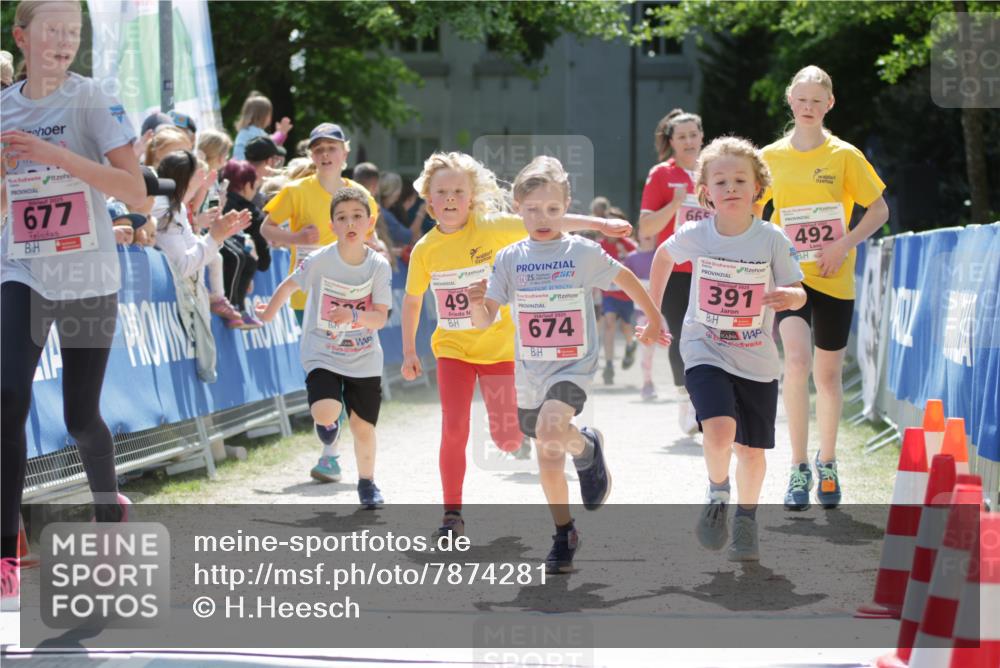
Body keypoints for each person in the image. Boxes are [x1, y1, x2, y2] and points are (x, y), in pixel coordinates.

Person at [401, 151, 633, 539]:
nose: (451, 198)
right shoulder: (425, 249)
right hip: (453, 351)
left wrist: (600, 225)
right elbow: (411, 300)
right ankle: (451, 516)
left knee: (509, 439)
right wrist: (409, 350)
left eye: (459, 190)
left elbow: (548, 217)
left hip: (502, 351)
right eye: (442, 192)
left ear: (472, 196)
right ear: (429, 199)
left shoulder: (493, 227)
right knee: (454, 428)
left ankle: (585, 445)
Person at [1, 0, 146, 611]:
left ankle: (109, 514)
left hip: (87, 273)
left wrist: (55, 156)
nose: (63, 42)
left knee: (80, 415)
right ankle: (6, 557)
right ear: (21, 36)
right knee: (7, 396)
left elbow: (137, 192)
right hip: (23, 268)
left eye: (73, 32)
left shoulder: (94, 100)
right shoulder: (2, 108)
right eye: (52, 31)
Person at [469, 156, 665, 574]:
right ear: (518, 208)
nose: (543, 218)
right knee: (548, 450)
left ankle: (562, 537)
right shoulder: (509, 258)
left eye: (553, 209)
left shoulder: (581, 251)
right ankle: (581, 470)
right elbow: (485, 319)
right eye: (533, 209)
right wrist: (473, 303)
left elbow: (625, 278)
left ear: (567, 208)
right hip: (531, 373)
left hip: (573, 365)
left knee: (549, 429)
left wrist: (652, 317)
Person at [647, 136, 806, 562]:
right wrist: (653, 312)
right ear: (706, 191)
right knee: (718, 432)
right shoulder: (697, 234)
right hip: (705, 347)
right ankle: (718, 493)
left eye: (740, 180)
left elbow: (798, 290)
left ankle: (747, 520)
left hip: (756, 359)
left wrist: (790, 297)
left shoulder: (771, 239)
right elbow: (662, 256)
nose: (731, 187)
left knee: (751, 452)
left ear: (758, 188)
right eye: (720, 181)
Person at [759, 66, 889, 511]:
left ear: (829, 104)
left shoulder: (844, 155)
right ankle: (798, 466)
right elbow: (753, 212)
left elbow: (879, 209)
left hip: (834, 275)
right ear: (790, 100)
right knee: (796, 363)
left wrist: (843, 243)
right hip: (790, 276)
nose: (808, 107)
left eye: (817, 100)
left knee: (828, 377)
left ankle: (827, 463)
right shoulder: (770, 157)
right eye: (802, 99)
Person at [256, 187, 392, 508]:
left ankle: (367, 483)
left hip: (363, 357)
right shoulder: (319, 260)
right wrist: (268, 313)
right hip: (323, 351)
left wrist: (353, 315)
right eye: (342, 218)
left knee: (362, 428)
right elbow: (289, 285)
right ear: (332, 226)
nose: (350, 223)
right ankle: (328, 426)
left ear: (369, 222)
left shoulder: (378, 266)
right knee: (325, 410)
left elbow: (379, 318)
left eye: (357, 216)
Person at [260, 122, 379, 482]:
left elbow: (369, 238)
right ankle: (330, 448)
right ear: (312, 156)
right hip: (308, 298)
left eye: (331, 148)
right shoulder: (296, 191)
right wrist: (296, 236)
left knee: (347, 370)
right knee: (324, 370)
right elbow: (266, 228)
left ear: (345, 152)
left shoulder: (359, 194)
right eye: (318, 149)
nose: (325, 155)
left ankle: (331, 446)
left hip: (353, 298)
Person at [639, 108, 708, 435]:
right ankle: (686, 401)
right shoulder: (661, 175)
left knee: (712, 336)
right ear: (671, 141)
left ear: (702, 136)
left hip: (713, 269)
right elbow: (646, 228)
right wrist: (675, 204)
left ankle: (709, 400)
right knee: (682, 336)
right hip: (676, 270)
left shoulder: (714, 169)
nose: (689, 141)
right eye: (682, 136)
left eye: (694, 134)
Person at [152, 150, 252, 329]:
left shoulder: (177, 207)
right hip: (170, 310)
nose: (202, 182)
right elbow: (183, 267)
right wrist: (214, 237)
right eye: (198, 176)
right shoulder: (164, 208)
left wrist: (221, 234)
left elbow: (195, 253)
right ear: (187, 179)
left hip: (183, 306)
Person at [221, 159, 270, 326]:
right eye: (255, 187)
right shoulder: (252, 213)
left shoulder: (217, 200)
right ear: (248, 185)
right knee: (245, 258)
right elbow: (264, 262)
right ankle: (237, 308)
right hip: (224, 253)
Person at [598, 206, 639, 385]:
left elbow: (639, 264)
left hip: (627, 294)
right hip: (609, 294)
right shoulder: (599, 246)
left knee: (627, 327)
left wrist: (625, 254)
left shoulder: (629, 246)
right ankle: (609, 366)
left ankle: (631, 345)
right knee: (609, 325)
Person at [622, 229, 660, 400]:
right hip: (642, 311)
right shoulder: (631, 258)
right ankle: (647, 383)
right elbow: (624, 283)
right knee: (647, 349)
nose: (649, 233)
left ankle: (685, 387)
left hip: (666, 309)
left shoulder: (663, 254)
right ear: (638, 234)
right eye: (645, 230)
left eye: (653, 230)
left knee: (677, 345)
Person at [232, 93, 292, 161]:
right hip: (246, 165)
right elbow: (268, 144)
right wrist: (281, 133)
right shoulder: (253, 131)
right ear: (262, 116)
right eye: (269, 114)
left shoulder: (246, 131)